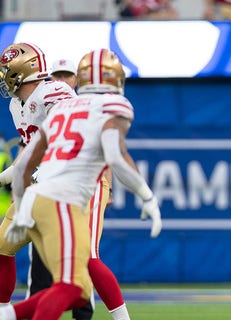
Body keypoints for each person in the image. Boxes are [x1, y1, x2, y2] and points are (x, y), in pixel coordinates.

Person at [0, 48, 162, 320]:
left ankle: (8, 314)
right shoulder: (99, 105)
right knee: (74, 283)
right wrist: (147, 196)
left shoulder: (59, 98)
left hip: (49, 186)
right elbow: (113, 154)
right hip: (67, 184)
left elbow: (35, 152)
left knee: (74, 279)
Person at [0, 42, 76, 308]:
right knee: (2, 247)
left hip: (66, 183)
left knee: (79, 266)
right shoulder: (16, 106)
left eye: (6, 71)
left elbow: (69, 137)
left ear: (19, 71)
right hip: (40, 186)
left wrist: (45, 171)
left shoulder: (53, 92)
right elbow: (31, 154)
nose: (2, 77)